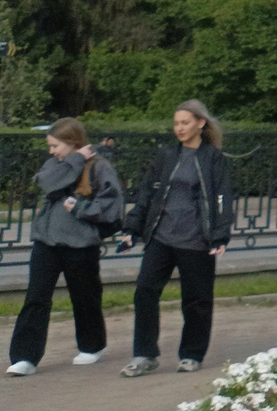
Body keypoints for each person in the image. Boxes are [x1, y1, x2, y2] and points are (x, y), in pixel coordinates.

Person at [118, 99, 234, 376]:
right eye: (176, 123)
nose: (179, 128)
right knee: (145, 291)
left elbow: (222, 198)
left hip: (197, 240)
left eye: (185, 123)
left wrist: (220, 235)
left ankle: (191, 354)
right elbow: (148, 193)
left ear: (200, 123)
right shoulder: (166, 156)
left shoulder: (213, 158)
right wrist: (132, 228)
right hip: (162, 236)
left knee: (196, 299)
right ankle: (145, 355)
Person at [7, 120, 125, 375]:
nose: (51, 151)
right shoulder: (59, 164)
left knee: (85, 297)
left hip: (81, 244)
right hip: (46, 241)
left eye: (55, 145)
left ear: (73, 143)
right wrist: (74, 160)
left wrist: (81, 209)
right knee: (36, 297)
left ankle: (92, 346)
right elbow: (48, 184)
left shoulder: (100, 166)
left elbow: (112, 205)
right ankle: (24, 357)